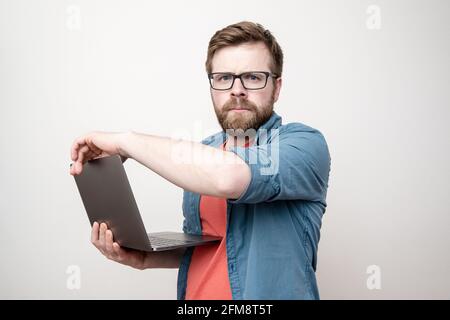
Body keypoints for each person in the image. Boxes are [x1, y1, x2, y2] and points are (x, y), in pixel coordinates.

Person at [69, 21, 331, 300]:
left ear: (276, 88)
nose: (237, 89)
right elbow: (214, 246)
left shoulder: (304, 145)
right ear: (212, 86)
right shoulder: (204, 154)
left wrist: (127, 142)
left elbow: (229, 177)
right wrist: (145, 258)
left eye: (253, 77)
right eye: (223, 78)